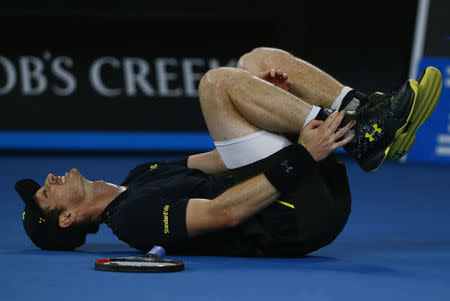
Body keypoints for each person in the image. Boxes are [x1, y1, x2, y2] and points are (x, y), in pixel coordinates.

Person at [14, 47, 442, 257]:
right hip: (294, 216)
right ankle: (364, 133)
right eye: (47, 196)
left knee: (255, 61)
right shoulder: (131, 220)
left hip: (298, 186)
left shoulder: (139, 174)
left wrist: (272, 111)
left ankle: (366, 116)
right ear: (68, 219)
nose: (50, 180)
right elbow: (225, 215)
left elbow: (223, 158)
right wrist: (301, 155)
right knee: (216, 84)